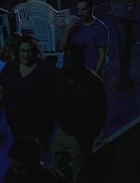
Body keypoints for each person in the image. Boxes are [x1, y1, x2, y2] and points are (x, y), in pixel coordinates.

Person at [46, 43, 108, 183]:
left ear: (80, 61)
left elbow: (101, 112)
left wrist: (88, 135)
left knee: (80, 176)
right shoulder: (60, 76)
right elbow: (52, 104)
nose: (67, 65)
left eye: (71, 61)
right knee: (56, 172)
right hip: (62, 132)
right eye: (66, 61)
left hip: (79, 136)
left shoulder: (92, 82)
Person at [0, 35, 56, 142]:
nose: (25, 55)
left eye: (29, 51)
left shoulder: (46, 68)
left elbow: (55, 95)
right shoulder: (11, 67)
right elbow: (1, 90)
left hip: (37, 121)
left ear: (35, 51)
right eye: (22, 51)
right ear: (18, 51)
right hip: (15, 118)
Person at [59, 0, 109, 76]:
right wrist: (67, 30)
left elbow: (102, 55)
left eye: (84, 9)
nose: (80, 13)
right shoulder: (74, 25)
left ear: (92, 8)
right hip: (74, 72)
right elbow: (62, 47)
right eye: (78, 9)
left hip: (91, 71)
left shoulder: (101, 28)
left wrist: (95, 74)